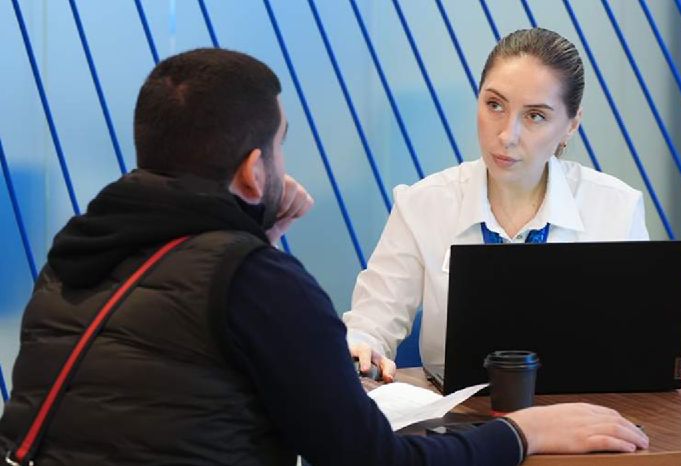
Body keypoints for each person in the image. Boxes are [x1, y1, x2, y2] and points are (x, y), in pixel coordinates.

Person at [0, 48, 647, 466]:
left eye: (536, 115)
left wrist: (255, 238)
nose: (508, 134)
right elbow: (368, 459)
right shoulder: (257, 279)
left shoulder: (70, 262)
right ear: (254, 171)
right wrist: (522, 434)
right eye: (280, 144)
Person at [344, 28, 649, 381]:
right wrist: (362, 346)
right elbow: (371, 324)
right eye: (495, 105)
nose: (506, 135)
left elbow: (639, 349)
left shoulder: (616, 209)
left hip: (582, 409)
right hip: (454, 412)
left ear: (571, 125)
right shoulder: (423, 204)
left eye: (535, 116)